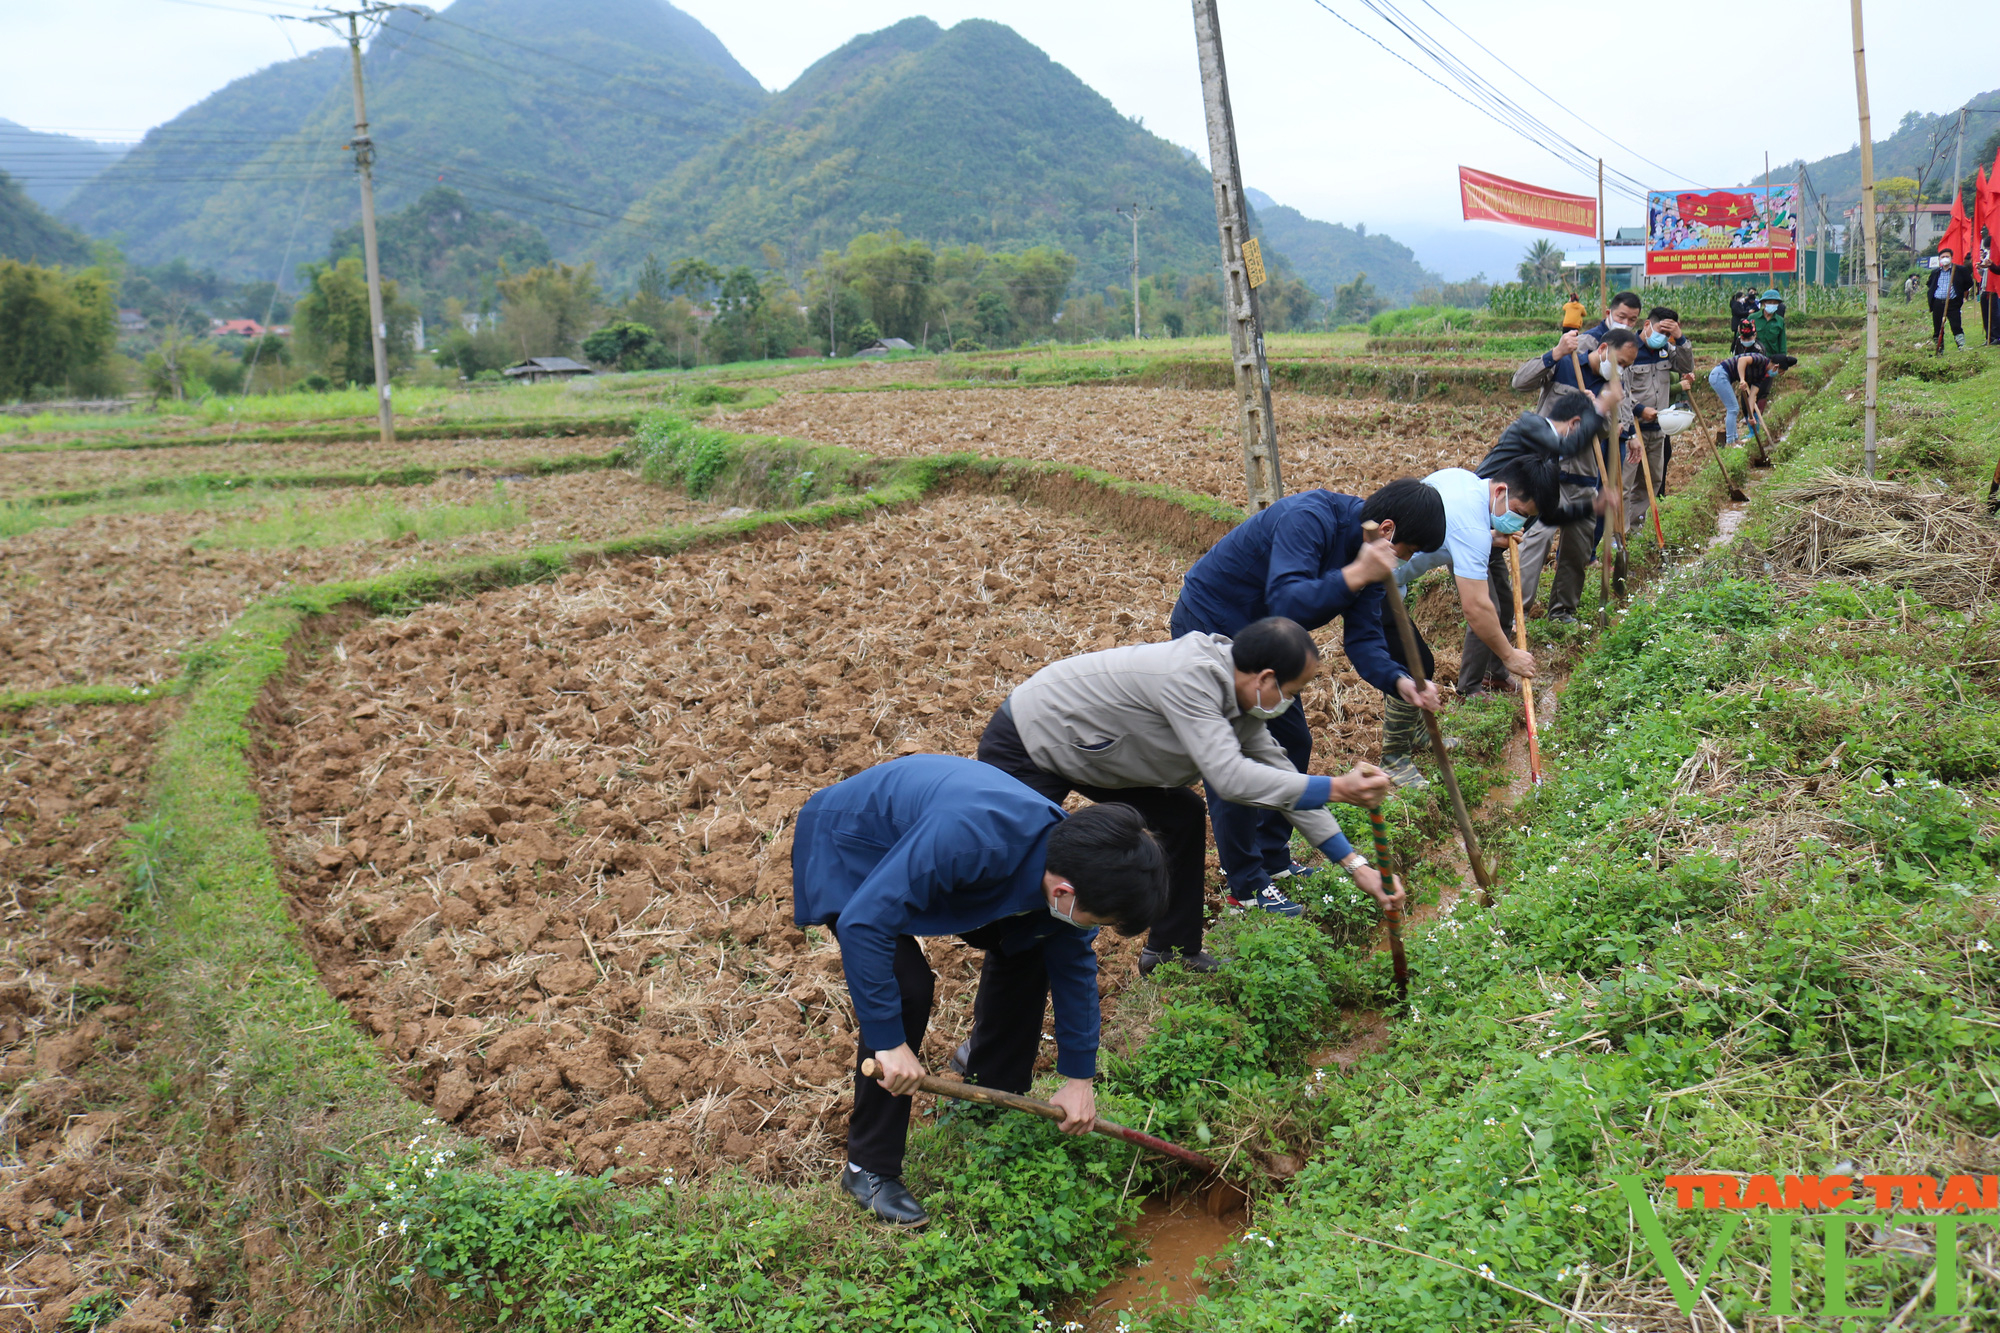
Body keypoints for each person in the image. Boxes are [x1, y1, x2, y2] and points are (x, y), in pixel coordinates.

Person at [792, 755, 1168, 1226]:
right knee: (906, 987)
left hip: (946, 861)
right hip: (854, 843)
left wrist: (1079, 1080)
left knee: (1035, 944)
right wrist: (890, 1043)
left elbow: (1074, 972)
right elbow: (865, 921)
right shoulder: (972, 840)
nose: (1096, 928)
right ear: (1065, 893)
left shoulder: (1068, 868)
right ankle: (867, 1167)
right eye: (1101, 920)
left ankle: (989, 1102)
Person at [979, 618, 1400, 965]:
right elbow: (1231, 779)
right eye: (1291, 692)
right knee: (1026, 878)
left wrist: (1356, 866)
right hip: (1032, 738)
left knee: (1178, 815)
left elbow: (1280, 779)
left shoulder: (1244, 701)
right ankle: (986, 1046)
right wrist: (1337, 788)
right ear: (1266, 678)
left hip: (1096, 750)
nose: (1291, 701)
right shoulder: (1190, 677)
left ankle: (1171, 952)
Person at [1168, 481, 1451, 900]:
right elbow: (1289, 602)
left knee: (1293, 740)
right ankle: (1245, 885)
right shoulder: (1310, 518)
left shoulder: (1373, 560)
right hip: (1214, 622)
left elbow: (1364, 639)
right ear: (1387, 530)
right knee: (1237, 756)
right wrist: (1357, 573)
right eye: (1404, 553)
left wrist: (1400, 681)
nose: (1400, 564)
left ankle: (1272, 856)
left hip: (1270, 638)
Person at [1383, 455, 1606, 782]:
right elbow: (1476, 608)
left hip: (1394, 578)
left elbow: (1449, 534)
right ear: (1501, 490)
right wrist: (1508, 654)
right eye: (1521, 513)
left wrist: (1491, 537)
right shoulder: (1471, 525)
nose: (1520, 523)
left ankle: (1417, 734)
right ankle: (1393, 757)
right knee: (1407, 664)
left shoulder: (1463, 481)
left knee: (1418, 662)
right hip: (1377, 578)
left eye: (1528, 519)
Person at [1512, 327, 1640, 623]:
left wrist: (1597, 409)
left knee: (1577, 549)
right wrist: (1554, 353)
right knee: (1536, 541)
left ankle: (1562, 612)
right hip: (1547, 472)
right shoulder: (1566, 364)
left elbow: (1609, 431)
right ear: (1605, 348)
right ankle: (1518, 612)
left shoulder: (1613, 387)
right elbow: (1520, 381)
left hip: (1583, 478)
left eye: (1626, 367)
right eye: (1619, 362)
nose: (1620, 370)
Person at [1624, 307, 1695, 534]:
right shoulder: (1629, 350)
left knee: (1652, 481)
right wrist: (1639, 409)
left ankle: (1634, 530)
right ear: (1646, 325)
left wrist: (1680, 337)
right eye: (1659, 331)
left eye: (1667, 333)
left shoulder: (1667, 349)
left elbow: (1686, 367)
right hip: (1631, 430)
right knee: (1625, 484)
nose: (1662, 337)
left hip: (1658, 429)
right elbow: (1618, 389)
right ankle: (1618, 533)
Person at [1708, 348, 1778, 460]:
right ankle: (1730, 442)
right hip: (1719, 375)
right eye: (1780, 371)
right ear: (1776, 367)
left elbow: (1752, 396)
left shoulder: (1762, 375)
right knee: (1733, 408)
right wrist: (1742, 379)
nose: (1777, 374)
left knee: (1734, 408)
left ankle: (1735, 440)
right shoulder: (1760, 359)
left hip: (1723, 376)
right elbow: (1742, 360)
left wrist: (1750, 416)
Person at [1931, 247, 1975, 353]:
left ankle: (1961, 346)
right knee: (1937, 326)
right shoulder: (1936, 272)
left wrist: (1959, 291)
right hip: (1938, 302)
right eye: (1943, 257)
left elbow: (1969, 283)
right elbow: (1930, 284)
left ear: (1951, 258)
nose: (1945, 259)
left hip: (1953, 302)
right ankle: (1939, 348)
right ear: (1939, 259)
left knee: (1956, 325)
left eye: (1947, 257)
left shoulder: (1959, 270)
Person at [1750, 289, 1787, 361]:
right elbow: (1742, 337)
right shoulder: (1752, 318)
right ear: (1764, 303)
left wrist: (1782, 359)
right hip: (1754, 358)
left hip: (1772, 359)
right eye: (1770, 302)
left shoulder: (1780, 321)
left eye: (1775, 303)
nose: (1772, 305)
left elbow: (1782, 343)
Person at [1982, 238, 2000, 346]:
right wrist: (1990, 265)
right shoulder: (1988, 255)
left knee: (1995, 314)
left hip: (1995, 289)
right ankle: (1990, 336)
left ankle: (1996, 336)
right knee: (1988, 314)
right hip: (1987, 287)